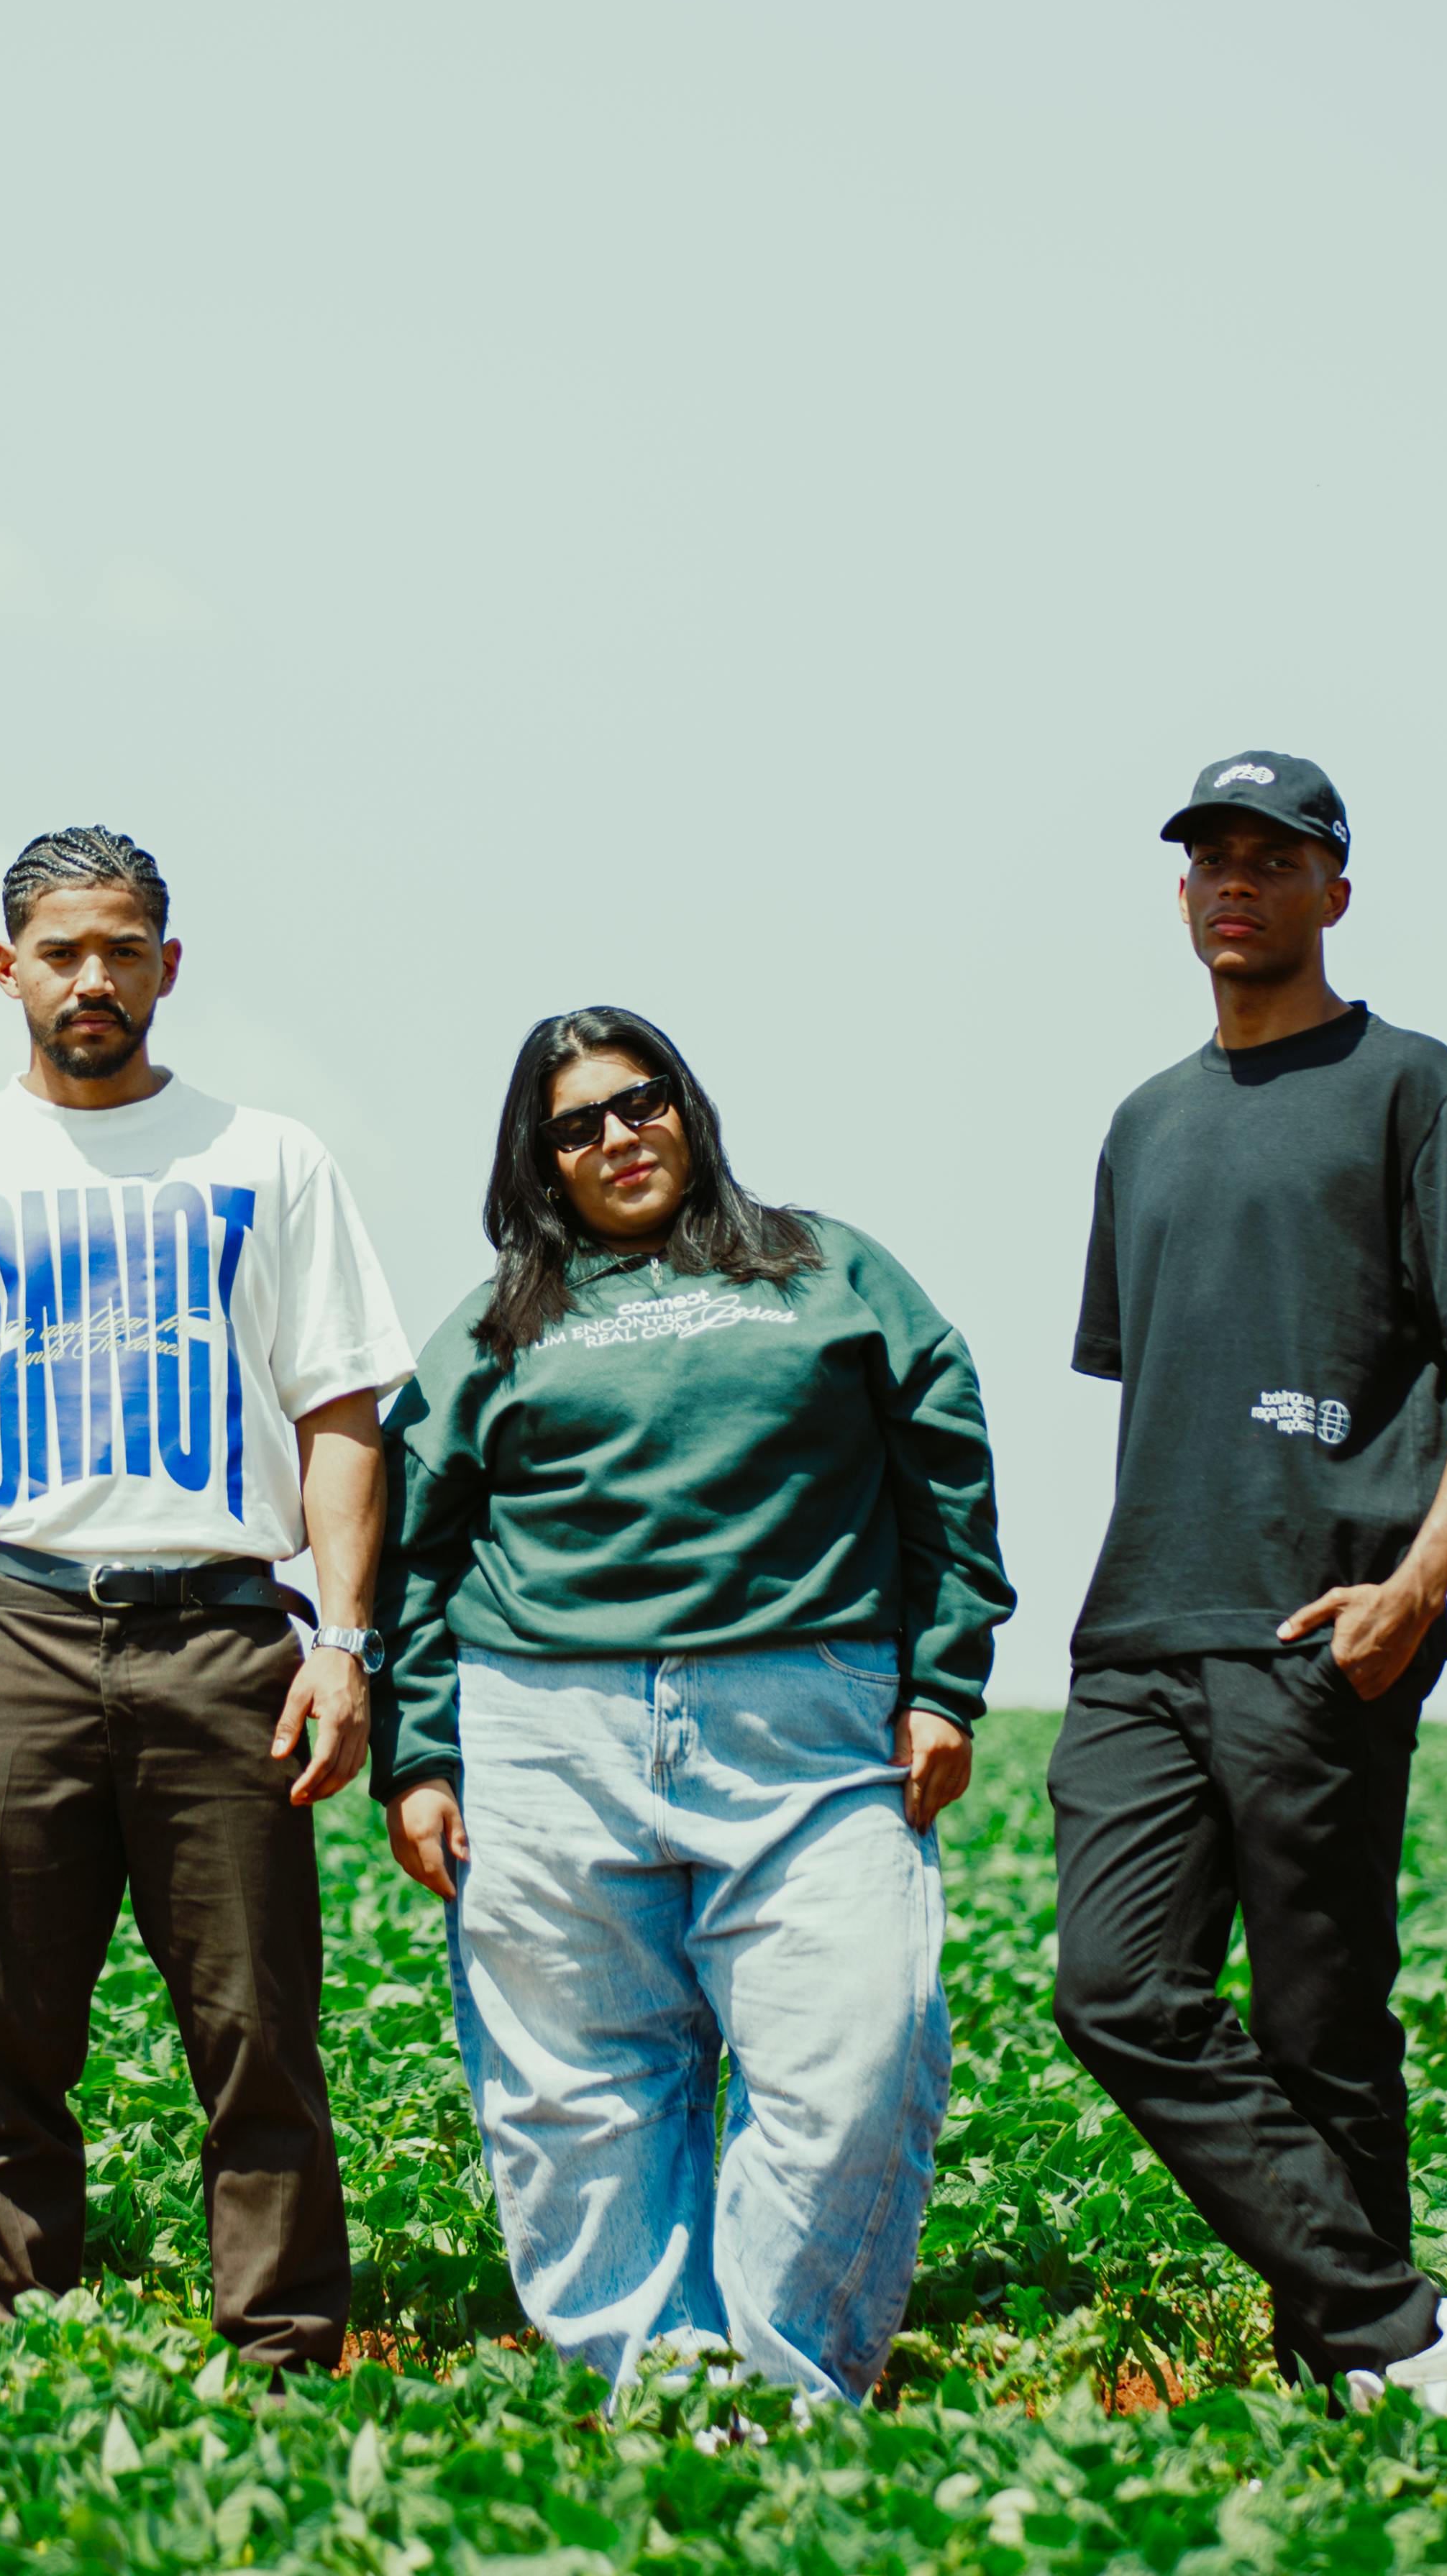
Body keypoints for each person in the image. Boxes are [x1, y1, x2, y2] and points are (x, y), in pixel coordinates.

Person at [0, 826, 411, 2372]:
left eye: (122, 947)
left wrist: (341, 1643)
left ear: (167, 965)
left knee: (258, 2032)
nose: (92, 977)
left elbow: (342, 1414)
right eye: (60, 950)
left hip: (223, 1634)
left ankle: (280, 2363)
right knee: (6, 2035)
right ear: (4, 969)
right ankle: (19, 2359)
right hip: (7, 1631)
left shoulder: (266, 1159)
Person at [373, 1008, 1015, 2399]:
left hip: (809, 1716)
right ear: (539, 1164)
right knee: (575, 2096)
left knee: (857, 2053)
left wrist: (943, 1678)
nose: (620, 1134)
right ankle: (651, 2393)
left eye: (643, 1099)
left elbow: (943, 1463)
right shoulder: (496, 1323)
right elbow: (412, 1546)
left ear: (689, 1107)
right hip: (543, 1731)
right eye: (578, 1123)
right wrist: (416, 1753)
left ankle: (785, 2387)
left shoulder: (827, 1268)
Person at [1050, 751, 1447, 2429]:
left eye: (1272, 858)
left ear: (1334, 889)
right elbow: (1164, 1391)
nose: (1232, 883)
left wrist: (1409, 1589)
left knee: (1322, 2031)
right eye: (1206, 857)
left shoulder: (1410, 1089)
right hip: (1138, 1630)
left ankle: (1355, 2377)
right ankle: (1402, 2330)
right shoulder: (1141, 1126)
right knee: (1113, 1991)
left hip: (1316, 1627)